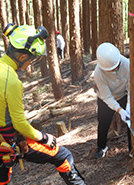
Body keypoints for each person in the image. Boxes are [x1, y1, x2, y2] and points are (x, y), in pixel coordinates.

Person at [0, 23, 86, 185]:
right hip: (7, 139)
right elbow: (19, 123)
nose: (32, 63)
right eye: (33, 59)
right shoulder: (11, 81)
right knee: (63, 156)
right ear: (23, 56)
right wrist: (44, 137)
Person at [94, 42, 131, 159]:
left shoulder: (127, 64)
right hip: (106, 98)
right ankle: (101, 146)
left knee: (131, 120)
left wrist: (129, 105)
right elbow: (107, 97)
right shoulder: (98, 73)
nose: (114, 70)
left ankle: (133, 148)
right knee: (103, 123)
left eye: (116, 67)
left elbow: (132, 87)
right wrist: (119, 110)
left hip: (124, 95)